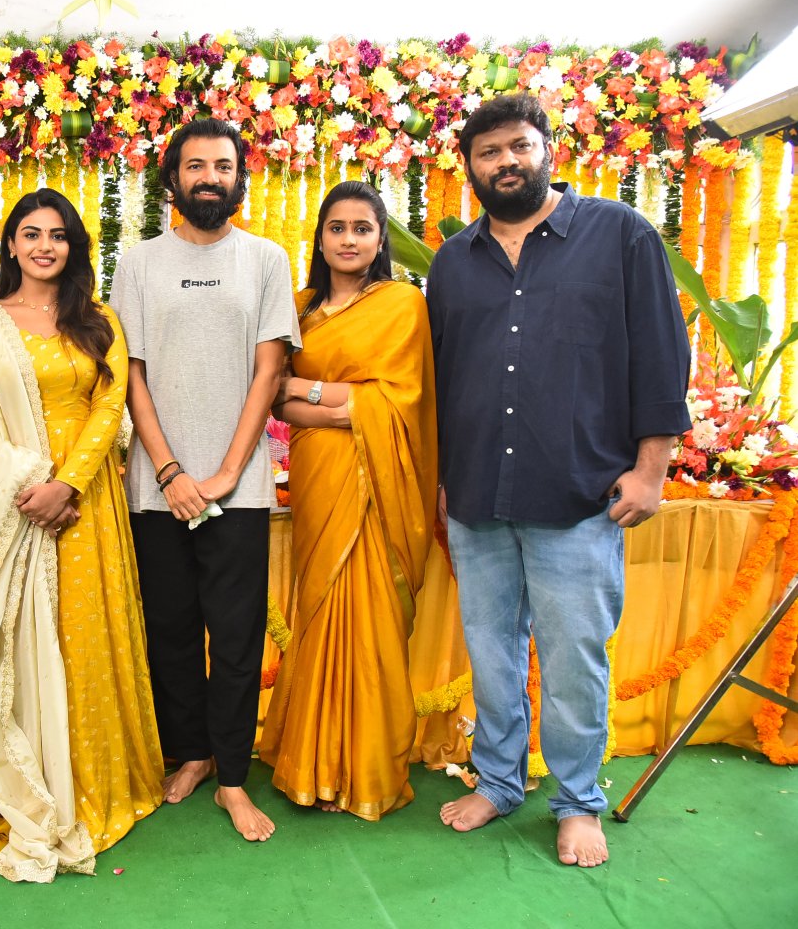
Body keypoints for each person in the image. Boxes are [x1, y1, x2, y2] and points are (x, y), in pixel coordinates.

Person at [428, 94, 691, 867]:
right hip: (477, 496)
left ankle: (578, 801)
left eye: (519, 146)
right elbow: (444, 376)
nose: (506, 162)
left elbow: (661, 353)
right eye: (488, 152)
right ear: (468, 167)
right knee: (491, 650)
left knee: (575, 654)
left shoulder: (620, 235)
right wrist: (447, 479)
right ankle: (500, 781)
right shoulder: (453, 261)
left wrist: (652, 468)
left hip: (579, 493)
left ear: (547, 149)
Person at [0, 189, 163, 880]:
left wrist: (69, 485)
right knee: (18, 645)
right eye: (30, 234)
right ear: (11, 245)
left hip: (87, 507)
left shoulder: (98, 320)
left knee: (85, 640)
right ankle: (30, 783)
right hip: (16, 511)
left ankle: (99, 779)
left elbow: (111, 406)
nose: (44, 246)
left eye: (57, 236)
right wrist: (30, 490)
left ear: (74, 247)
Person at [109, 117, 295, 842]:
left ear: (238, 177)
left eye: (222, 165)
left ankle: (232, 779)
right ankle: (188, 754)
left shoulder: (266, 260)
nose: (209, 177)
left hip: (239, 489)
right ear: (173, 178)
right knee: (173, 631)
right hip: (159, 488)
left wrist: (221, 473)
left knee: (238, 634)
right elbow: (132, 373)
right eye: (195, 166)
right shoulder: (139, 263)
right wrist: (170, 470)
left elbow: (269, 369)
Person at [258, 181, 436, 819]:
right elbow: (270, 395)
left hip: (377, 482)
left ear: (380, 237)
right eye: (338, 228)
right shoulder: (299, 308)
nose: (350, 239)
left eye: (363, 228)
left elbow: (399, 404)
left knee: (369, 615)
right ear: (321, 237)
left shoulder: (402, 305)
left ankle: (361, 766)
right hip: (318, 475)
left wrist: (310, 393)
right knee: (320, 604)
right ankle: (309, 757)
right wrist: (330, 400)